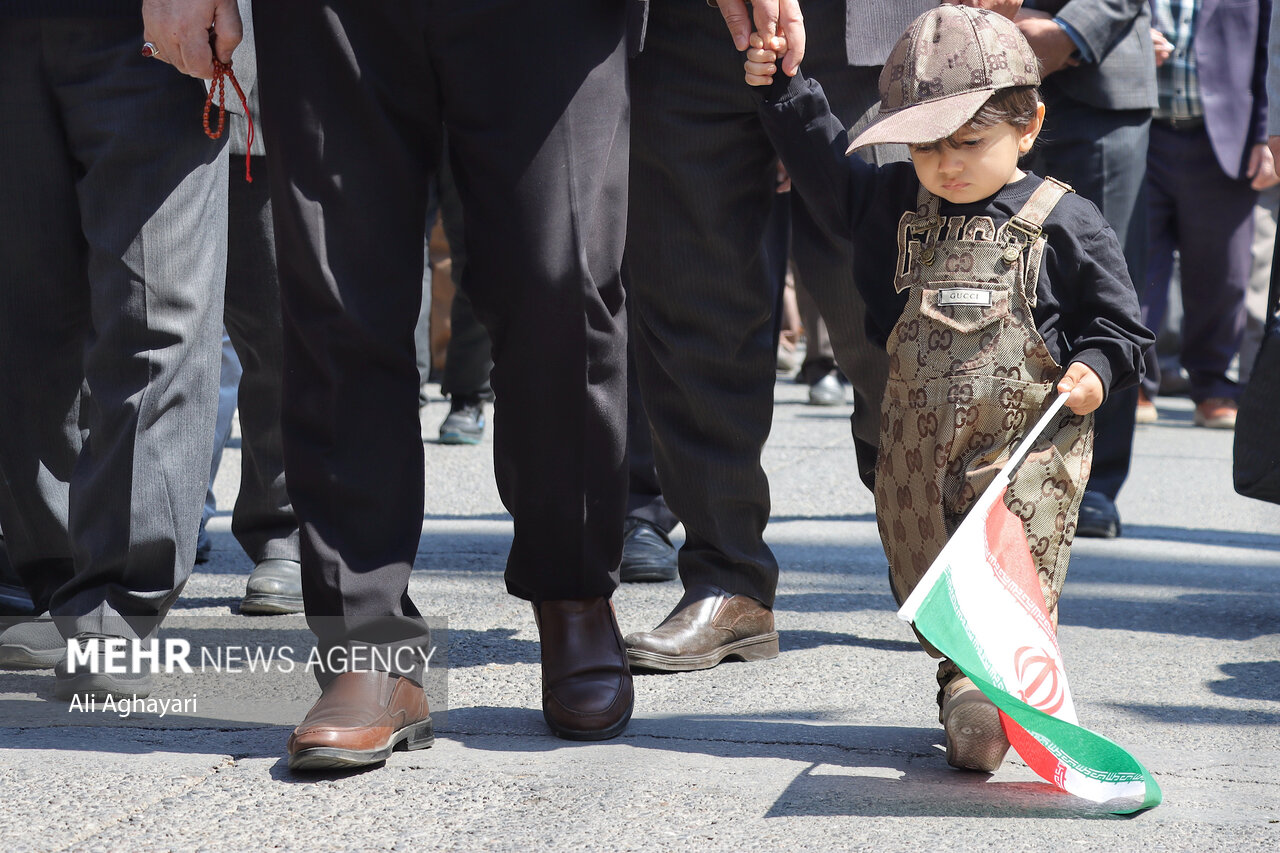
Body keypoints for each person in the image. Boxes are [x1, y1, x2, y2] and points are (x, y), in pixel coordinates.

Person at [745, 4, 1151, 770]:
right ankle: (960, 672)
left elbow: (1121, 327)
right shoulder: (890, 201)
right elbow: (826, 172)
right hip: (915, 448)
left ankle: (994, 685)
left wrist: (1096, 368)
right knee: (931, 574)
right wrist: (784, 89)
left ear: (1028, 127)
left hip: (1022, 455)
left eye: (969, 142)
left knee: (1004, 572)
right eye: (927, 146)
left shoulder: (1066, 221)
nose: (947, 164)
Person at [623, 0, 936, 674]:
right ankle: (726, 578)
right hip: (692, 29)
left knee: (896, 314)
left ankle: (936, 559)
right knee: (694, 302)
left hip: (871, 34)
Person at [0, 2, 230, 698]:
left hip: (142, 24)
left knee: (151, 311)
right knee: (23, 319)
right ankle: (56, 578)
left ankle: (114, 612)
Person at [1014, 0, 1157, 539]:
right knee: (999, 275)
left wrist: (1067, 32)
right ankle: (996, 465)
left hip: (1102, 80)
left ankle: (1094, 481)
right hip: (987, 71)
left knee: (1103, 289)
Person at [1139, 0, 1275, 429]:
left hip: (1225, 140)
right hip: (1143, 131)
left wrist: (1265, 136)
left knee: (1223, 272)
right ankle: (1135, 381)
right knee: (1136, 264)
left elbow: (1268, 49)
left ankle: (1213, 385)